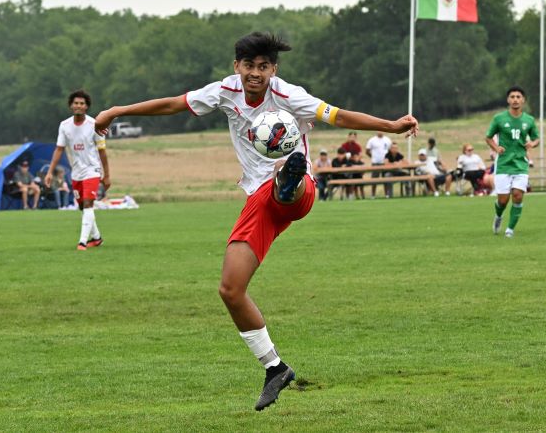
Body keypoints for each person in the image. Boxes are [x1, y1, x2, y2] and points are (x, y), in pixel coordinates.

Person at [93, 32, 419, 411]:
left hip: (298, 194)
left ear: (273, 69)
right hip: (258, 200)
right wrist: (117, 110)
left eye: (263, 67)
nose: (255, 74)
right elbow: (172, 105)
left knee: (286, 183)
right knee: (230, 289)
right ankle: (275, 368)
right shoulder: (224, 91)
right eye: (249, 66)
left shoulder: (288, 95)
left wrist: (391, 126)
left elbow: (339, 115)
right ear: (237, 67)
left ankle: (289, 179)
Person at [46, 90, 111, 250]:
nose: (78, 106)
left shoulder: (95, 125)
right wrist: (50, 171)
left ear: (87, 106)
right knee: (82, 206)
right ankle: (96, 238)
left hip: (92, 170)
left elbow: (102, 151)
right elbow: (59, 149)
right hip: (76, 173)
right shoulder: (64, 126)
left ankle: (82, 242)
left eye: (82, 103)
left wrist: (107, 175)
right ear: (71, 105)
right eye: (76, 103)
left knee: (88, 203)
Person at [485, 86, 540, 238]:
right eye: (512, 97)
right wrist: (496, 148)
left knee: (517, 196)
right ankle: (498, 216)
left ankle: (510, 229)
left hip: (520, 165)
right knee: (503, 200)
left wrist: (532, 144)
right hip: (503, 164)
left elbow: (536, 138)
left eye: (518, 97)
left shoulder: (529, 120)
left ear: (523, 100)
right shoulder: (499, 119)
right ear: (508, 100)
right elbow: (488, 137)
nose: (515, 99)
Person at [365, 131, 392, 198]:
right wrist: (373, 157)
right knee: (374, 179)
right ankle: (373, 195)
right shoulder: (372, 140)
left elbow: (390, 151)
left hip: (384, 163)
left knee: (385, 179)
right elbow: (367, 151)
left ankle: (386, 195)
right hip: (375, 163)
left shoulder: (387, 140)